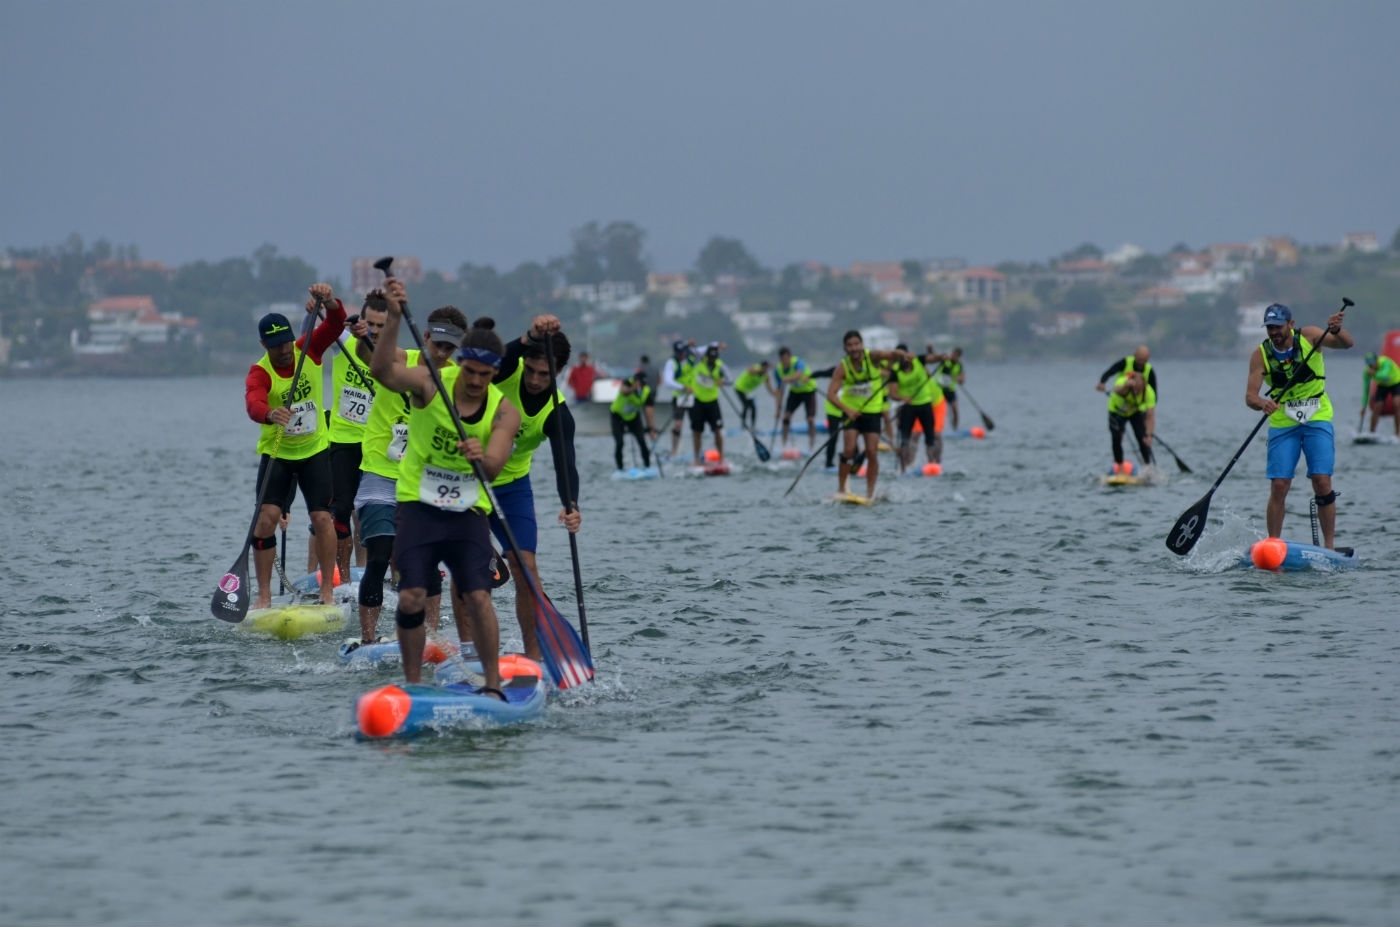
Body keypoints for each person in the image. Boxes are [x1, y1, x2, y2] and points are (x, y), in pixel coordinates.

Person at [370, 278, 520, 694]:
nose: (475, 381)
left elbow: (494, 468)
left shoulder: (504, 411)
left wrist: (481, 458)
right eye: (469, 372)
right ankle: (413, 685)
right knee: (412, 596)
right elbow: (381, 371)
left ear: (494, 373)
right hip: (418, 507)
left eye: (484, 375)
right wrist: (394, 318)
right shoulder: (430, 383)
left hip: (467, 512)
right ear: (461, 363)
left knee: (478, 596)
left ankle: (492, 685)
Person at [346, 297, 459, 647]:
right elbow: (370, 357)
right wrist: (364, 337)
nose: (442, 352)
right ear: (425, 337)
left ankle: (431, 638)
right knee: (379, 555)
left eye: (449, 348)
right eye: (437, 344)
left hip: (423, 478)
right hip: (380, 471)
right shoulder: (401, 359)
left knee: (427, 560)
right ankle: (368, 640)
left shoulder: (457, 378)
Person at [243, 284, 345, 609]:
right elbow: (253, 402)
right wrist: (270, 413)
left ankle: (327, 591)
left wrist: (330, 302)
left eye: (287, 341)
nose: (285, 350)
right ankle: (264, 595)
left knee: (322, 519)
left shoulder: (308, 349)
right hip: (278, 453)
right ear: (264, 345)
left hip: (314, 451)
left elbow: (335, 325)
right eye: (276, 346)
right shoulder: (260, 372)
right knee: (265, 520)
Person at [488, 314, 583, 663]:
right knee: (472, 572)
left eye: (545, 374)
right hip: (467, 480)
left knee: (526, 569)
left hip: (512, 487)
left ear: (559, 372)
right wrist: (528, 336)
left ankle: (535, 658)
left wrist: (571, 504)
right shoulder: (504, 372)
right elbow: (498, 356)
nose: (534, 379)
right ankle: (470, 654)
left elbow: (565, 463)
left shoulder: (558, 414)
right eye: (531, 370)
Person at [1245, 302, 1352, 550]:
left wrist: (1336, 330)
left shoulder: (1310, 336)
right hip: (1284, 423)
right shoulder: (1260, 355)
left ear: (1290, 324)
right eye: (1269, 327)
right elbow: (1250, 396)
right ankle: (1273, 544)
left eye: (1278, 327)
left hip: (1317, 417)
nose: (1274, 332)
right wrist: (1262, 403)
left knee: (1321, 481)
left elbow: (1346, 344)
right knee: (1279, 485)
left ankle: (1329, 547)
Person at [325, 308, 379, 583]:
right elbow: (311, 330)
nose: (375, 331)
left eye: (382, 326)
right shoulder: (344, 342)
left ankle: (377, 574)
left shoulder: (395, 357)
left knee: (375, 512)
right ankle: (343, 582)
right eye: (371, 324)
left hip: (376, 444)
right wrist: (326, 305)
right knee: (339, 512)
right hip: (343, 441)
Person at [828, 330, 905, 499]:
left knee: (871, 452)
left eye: (857, 344)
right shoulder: (842, 368)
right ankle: (841, 489)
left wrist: (901, 354)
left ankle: (870, 494)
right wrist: (847, 410)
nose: (854, 348)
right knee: (849, 450)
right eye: (850, 345)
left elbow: (890, 354)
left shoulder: (873, 357)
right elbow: (831, 395)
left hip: (872, 413)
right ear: (845, 348)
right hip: (851, 413)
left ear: (862, 345)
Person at [889, 344, 946, 473]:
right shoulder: (895, 371)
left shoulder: (919, 360)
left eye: (905, 355)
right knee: (905, 439)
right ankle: (903, 469)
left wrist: (942, 356)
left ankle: (932, 464)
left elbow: (933, 358)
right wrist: (903, 398)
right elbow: (892, 393)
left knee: (930, 437)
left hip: (925, 404)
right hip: (908, 407)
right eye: (901, 357)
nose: (905, 359)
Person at [684, 342, 728, 463]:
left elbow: (730, 379)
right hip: (697, 401)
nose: (712, 361)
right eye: (710, 358)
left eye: (714, 358)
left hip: (712, 401)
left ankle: (721, 458)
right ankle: (696, 459)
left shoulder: (720, 366)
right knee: (697, 432)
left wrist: (723, 382)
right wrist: (689, 344)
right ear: (706, 357)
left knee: (717, 430)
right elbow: (691, 350)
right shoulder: (699, 362)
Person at [1106, 369, 1155, 474]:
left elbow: (1150, 416)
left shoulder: (1149, 392)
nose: (1136, 392)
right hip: (1116, 412)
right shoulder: (1123, 382)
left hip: (1134, 412)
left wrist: (1149, 435)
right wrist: (1126, 386)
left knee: (1143, 438)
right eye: (1135, 389)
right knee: (1116, 437)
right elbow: (1116, 389)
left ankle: (1148, 467)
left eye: (1139, 389)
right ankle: (1119, 466)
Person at [775, 347, 820, 449]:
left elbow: (798, 375)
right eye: (782, 359)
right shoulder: (778, 370)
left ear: (790, 357)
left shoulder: (798, 362)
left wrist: (788, 379)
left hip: (809, 391)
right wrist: (777, 409)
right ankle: (784, 444)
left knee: (810, 419)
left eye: (786, 359)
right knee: (786, 417)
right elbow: (779, 390)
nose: (785, 362)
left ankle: (812, 445)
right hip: (795, 393)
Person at [660, 339, 697, 459]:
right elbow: (668, 381)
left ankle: (697, 452)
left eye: (683, 352)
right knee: (678, 425)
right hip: (680, 396)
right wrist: (683, 387)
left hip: (694, 396)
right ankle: (674, 452)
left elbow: (705, 350)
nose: (681, 355)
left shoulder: (691, 357)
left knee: (696, 424)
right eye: (679, 353)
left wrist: (717, 345)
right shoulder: (671, 363)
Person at [611, 372, 653, 470]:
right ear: (635, 381)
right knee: (620, 443)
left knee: (642, 441)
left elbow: (649, 411)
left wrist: (651, 428)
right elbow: (624, 391)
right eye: (640, 383)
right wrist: (633, 389)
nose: (642, 386)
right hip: (618, 416)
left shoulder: (646, 391)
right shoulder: (628, 383)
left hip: (633, 417)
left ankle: (647, 466)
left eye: (644, 384)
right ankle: (620, 469)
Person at [1363, 351, 1400, 436]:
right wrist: (1364, 406)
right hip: (1382, 385)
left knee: (1396, 404)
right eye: (1368, 364)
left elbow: (1384, 375)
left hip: (1396, 382)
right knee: (1377, 407)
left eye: (1372, 363)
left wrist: (1375, 373)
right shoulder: (1367, 372)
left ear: (1377, 360)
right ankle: (1371, 433)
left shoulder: (1385, 362)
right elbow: (1366, 390)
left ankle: (1397, 433)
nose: (1371, 366)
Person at [731, 359, 771, 429]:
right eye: (765, 368)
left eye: (767, 368)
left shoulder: (765, 376)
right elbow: (750, 370)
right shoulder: (756, 367)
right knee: (746, 406)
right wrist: (761, 370)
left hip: (748, 392)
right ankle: (743, 426)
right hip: (739, 388)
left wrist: (775, 394)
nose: (766, 370)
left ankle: (753, 427)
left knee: (753, 408)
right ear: (762, 367)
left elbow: (769, 387)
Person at [936, 346, 966, 430]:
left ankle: (955, 428)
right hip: (939, 389)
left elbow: (962, 379)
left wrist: (957, 378)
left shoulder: (959, 365)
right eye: (953, 354)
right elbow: (934, 356)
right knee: (936, 409)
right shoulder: (945, 361)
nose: (953, 356)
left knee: (955, 408)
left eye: (956, 355)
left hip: (950, 390)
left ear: (959, 356)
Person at [636, 353, 662, 434]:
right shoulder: (655, 368)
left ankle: (651, 429)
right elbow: (659, 381)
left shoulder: (641, 368)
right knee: (650, 411)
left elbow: (636, 381)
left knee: (648, 413)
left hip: (645, 392)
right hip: (654, 391)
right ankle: (650, 428)